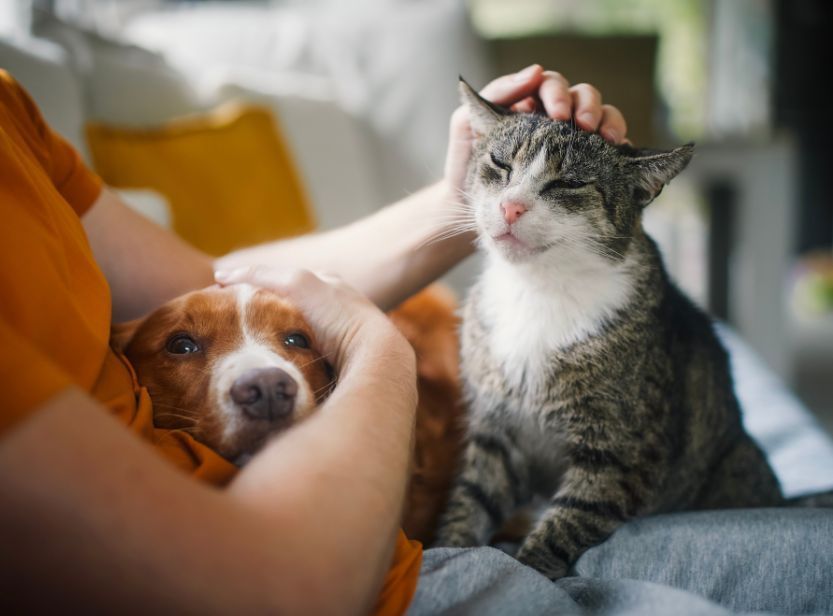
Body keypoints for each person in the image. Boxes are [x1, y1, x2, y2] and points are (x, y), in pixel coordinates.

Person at [0, 64, 629, 613]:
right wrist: (376, 349)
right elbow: (275, 592)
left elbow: (209, 286)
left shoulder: (11, 111)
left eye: (298, 345)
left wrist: (465, 200)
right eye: (185, 348)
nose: (266, 381)